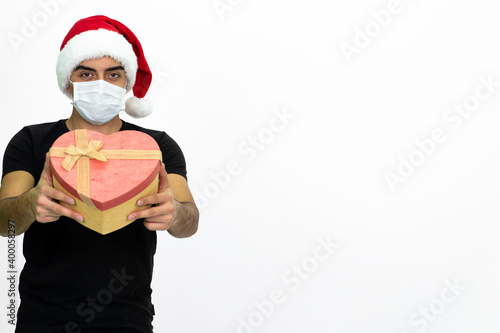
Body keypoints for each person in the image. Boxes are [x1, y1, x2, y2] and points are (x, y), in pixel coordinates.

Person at [0, 15, 199, 333]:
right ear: (68, 82)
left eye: (113, 74)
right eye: (86, 73)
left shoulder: (155, 147)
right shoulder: (31, 141)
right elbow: (3, 222)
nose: (101, 84)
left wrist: (174, 214)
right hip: (42, 320)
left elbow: (189, 220)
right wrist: (30, 203)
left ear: (127, 83)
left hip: (128, 320)